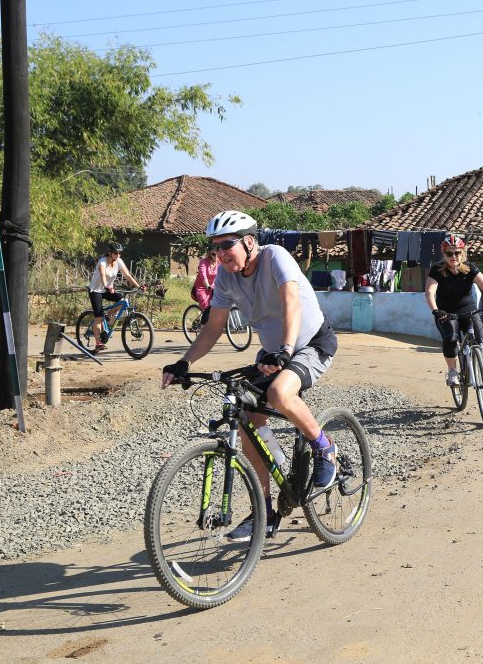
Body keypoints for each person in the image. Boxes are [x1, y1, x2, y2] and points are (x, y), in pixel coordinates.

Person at [161, 210, 339, 542]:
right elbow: (214, 326)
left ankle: (324, 447)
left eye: (227, 244)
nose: (221, 253)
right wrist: (183, 363)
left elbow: (291, 304)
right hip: (274, 353)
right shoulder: (226, 279)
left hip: (310, 342)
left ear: (249, 242)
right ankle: (266, 511)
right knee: (245, 413)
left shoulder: (275, 257)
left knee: (279, 395)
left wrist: (286, 349)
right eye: (215, 247)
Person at [424, 235, 483, 387]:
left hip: (468, 310)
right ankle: (453, 371)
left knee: (479, 337)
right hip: (445, 312)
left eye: (457, 253)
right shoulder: (437, 270)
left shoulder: (469, 267)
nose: (454, 256)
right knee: (451, 338)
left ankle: (480, 367)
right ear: (444, 253)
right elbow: (429, 292)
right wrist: (435, 310)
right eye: (449, 253)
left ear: (462, 253)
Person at [88, 242, 142, 352]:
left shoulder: (118, 261)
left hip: (108, 290)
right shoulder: (102, 261)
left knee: (122, 301)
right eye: (116, 253)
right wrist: (106, 286)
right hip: (96, 290)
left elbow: (127, 275)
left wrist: (139, 286)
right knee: (98, 317)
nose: (118, 255)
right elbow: (103, 275)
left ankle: (107, 318)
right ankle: (98, 343)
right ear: (110, 253)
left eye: (120, 253)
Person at [192, 246, 218, 325]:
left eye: (217, 254)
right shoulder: (204, 262)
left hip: (213, 287)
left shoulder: (220, 262)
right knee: (207, 307)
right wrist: (207, 286)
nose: (216, 256)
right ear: (210, 253)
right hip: (202, 287)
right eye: (214, 254)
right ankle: (204, 326)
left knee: (218, 304)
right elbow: (203, 275)